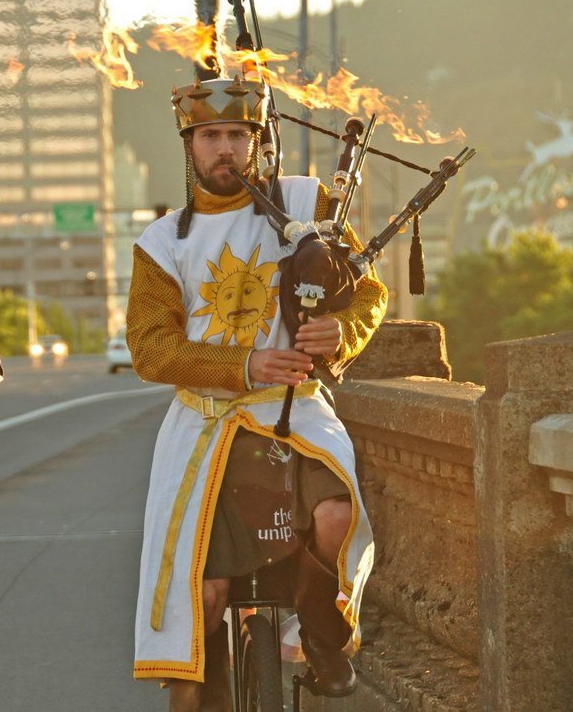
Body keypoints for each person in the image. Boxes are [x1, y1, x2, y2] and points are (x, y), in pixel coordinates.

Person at [126, 76, 388, 710]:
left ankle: (318, 630)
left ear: (257, 141)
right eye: (210, 136)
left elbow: (368, 290)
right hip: (206, 427)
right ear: (189, 146)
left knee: (336, 515)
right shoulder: (162, 243)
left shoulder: (307, 201)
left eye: (237, 136)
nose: (224, 150)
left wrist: (339, 331)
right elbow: (150, 349)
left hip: (293, 415)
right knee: (205, 597)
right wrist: (245, 363)